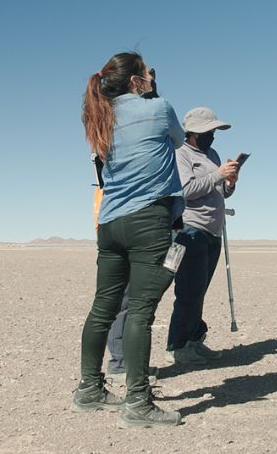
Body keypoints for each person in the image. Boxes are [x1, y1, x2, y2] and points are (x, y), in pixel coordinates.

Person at [75, 52, 185, 427]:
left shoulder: (102, 117)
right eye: (147, 73)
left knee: (103, 306)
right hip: (148, 220)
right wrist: (155, 91)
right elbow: (178, 138)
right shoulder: (159, 108)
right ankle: (138, 402)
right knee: (140, 310)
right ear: (137, 81)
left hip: (110, 224)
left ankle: (89, 388)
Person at [166, 107, 240, 365]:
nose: (213, 136)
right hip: (190, 229)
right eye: (209, 132)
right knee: (188, 290)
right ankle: (178, 345)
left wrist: (229, 182)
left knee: (199, 290)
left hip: (213, 230)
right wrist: (218, 174)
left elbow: (218, 191)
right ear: (194, 132)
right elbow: (186, 190)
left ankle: (194, 340)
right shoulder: (181, 154)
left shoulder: (213, 154)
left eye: (214, 132)